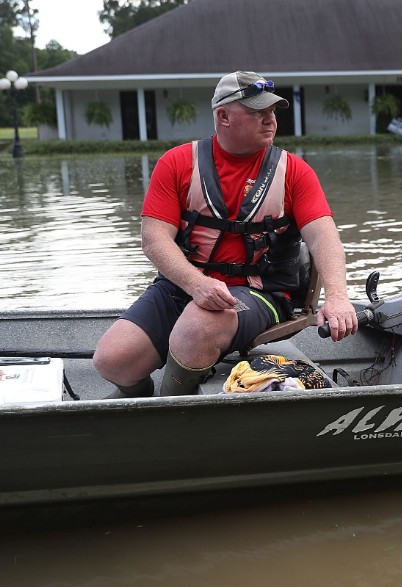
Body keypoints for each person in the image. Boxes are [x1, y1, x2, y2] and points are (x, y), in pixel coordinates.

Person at [93, 71, 358, 397]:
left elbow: (323, 236)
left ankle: (168, 413)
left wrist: (337, 296)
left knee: (198, 325)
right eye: (258, 113)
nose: (270, 121)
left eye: (272, 112)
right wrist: (196, 283)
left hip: (262, 294)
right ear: (223, 116)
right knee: (112, 360)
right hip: (184, 286)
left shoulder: (295, 172)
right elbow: (154, 239)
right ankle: (140, 400)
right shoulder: (176, 164)